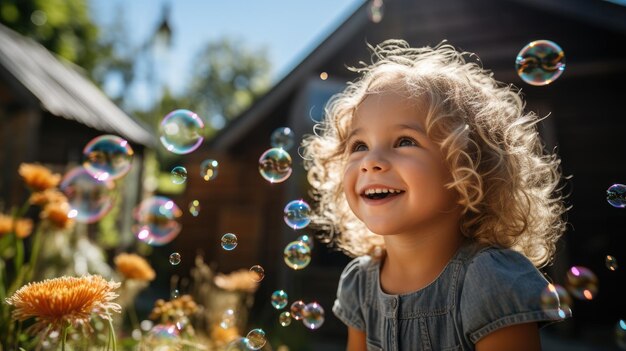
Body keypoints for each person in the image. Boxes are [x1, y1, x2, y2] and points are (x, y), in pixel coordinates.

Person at [301, 40, 569, 351]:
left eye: (404, 141)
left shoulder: (490, 281)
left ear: (467, 167)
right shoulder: (359, 283)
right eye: (359, 145)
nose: (371, 161)